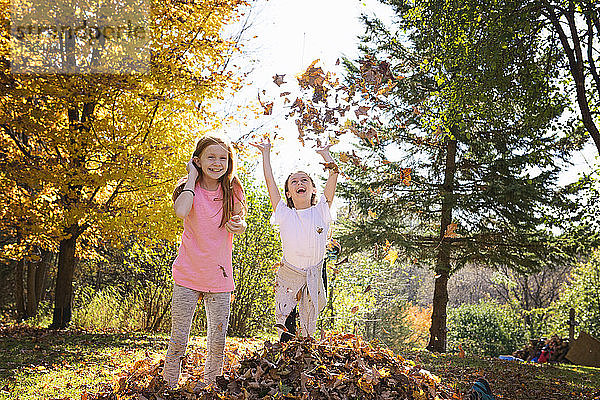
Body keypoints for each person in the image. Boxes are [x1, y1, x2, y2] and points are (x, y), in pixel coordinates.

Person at [162, 135, 247, 389]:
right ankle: (167, 385)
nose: (217, 163)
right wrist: (191, 176)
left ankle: (211, 385)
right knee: (178, 337)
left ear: (229, 162)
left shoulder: (232, 188)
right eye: (211, 157)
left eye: (223, 158)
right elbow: (181, 211)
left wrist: (239, 225)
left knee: (217, 339)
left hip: (219, 277)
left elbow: (241, 219)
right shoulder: (187, 187)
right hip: (187, 275)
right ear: (198, 161)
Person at [251, 137, 339, 340]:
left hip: (315, 270)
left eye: (304, 180)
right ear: (289, 193)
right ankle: (285, 354)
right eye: (294, 182)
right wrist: (266, 154)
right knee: (286, 320)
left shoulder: (322, 210)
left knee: (309, 319)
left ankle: (307, 350)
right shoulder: (283, 212)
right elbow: (269, 182)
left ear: (313, 189)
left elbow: (334, 174)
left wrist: (325, 155)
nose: (300, 183)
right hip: (289, 272)